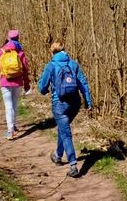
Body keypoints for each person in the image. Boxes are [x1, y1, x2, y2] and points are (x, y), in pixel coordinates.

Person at [38, 42, 93, 177]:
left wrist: (45, 89)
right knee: (64, 129)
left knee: (65, 133)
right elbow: (83, 83)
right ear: (64, 51)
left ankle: (73, 165)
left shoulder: (51, 66)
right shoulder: (73, 64)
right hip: (75, 103)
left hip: (59, 104)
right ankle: (57, 155)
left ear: (52, 52)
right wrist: (88, 101)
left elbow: (42, 88)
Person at [0, 29, 31, 139]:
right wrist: (27, 84)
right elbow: (25, 69)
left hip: (5, 82)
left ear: (8, 38)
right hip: (18, 82)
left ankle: (10, 130)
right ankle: (13, 125)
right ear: (18, 38)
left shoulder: (2, 51)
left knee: (8, 106)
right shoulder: (20, 52)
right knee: (14, 104)